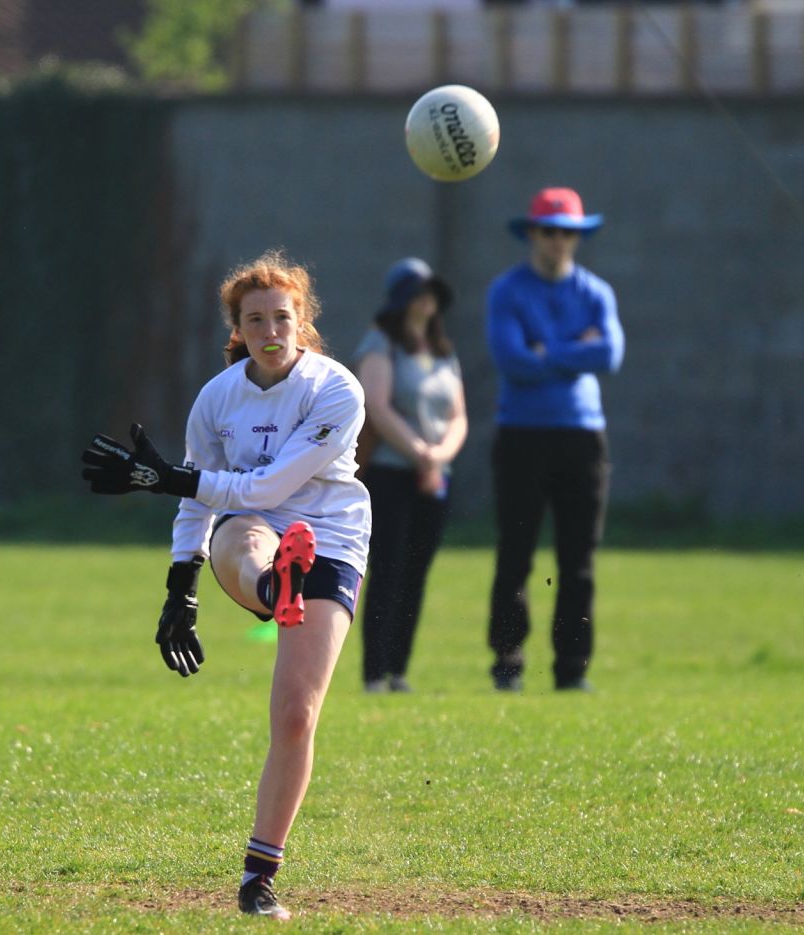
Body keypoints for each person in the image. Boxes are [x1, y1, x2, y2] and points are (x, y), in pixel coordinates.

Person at [80, 250, 370, 921]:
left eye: (283, 317)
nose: (271, 330)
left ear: (304, 323)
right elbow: (203, 506)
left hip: (333, 536)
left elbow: (273, 483)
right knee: (243, 538)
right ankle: (277, 589)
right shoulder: (218, 398)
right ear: (237, 329)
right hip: (261, 537)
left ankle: (259, 874)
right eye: (256, 319)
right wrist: (179, 588)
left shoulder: (336, 390)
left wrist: (172, 477)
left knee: (297, 716)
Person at [484, 187, 625, 693]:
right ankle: (508, 661)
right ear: (532, 234)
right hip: (522, 435)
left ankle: (571, 669)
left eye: (568, 232)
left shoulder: (595, 292)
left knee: (578, 561)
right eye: (549, 231)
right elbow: (513, 361)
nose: (558, 241)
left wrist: (547, 350)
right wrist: (572, 350)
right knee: (516, 554)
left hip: (582, 437)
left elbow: (609, 355)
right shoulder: (507, 291)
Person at [353, 258, 468, 693]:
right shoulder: (379, 344)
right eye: (418, 291)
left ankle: (399, 670)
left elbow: (458, 416)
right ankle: (374, 674)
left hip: (435, 477)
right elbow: (378, 408)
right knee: (387, 569)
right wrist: (421, 456)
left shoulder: (442, 351)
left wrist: (437, 459)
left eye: (431, 292)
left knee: (417, 572)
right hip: (390, 475)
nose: (426, 299)